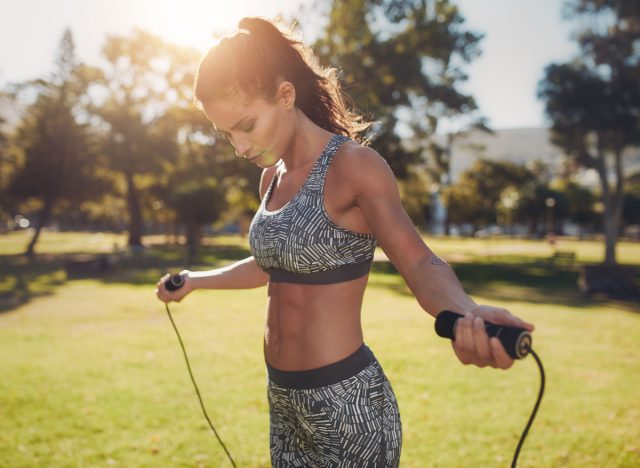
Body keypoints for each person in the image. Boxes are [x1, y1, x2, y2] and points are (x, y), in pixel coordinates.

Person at [156, 16, 534, 467]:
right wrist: (197, 280)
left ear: (285, 95)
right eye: (227, 134)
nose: (239, 145)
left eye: (247, 125)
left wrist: (467, 314)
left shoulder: (355, 167)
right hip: (285, 404)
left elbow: (418, 262)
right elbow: (274, 263)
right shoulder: (269, 180)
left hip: (348, 407)